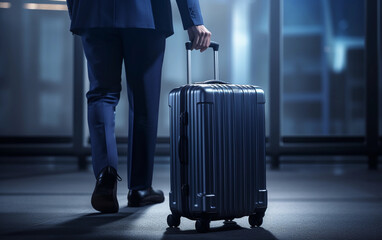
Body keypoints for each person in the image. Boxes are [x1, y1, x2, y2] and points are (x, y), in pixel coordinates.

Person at [66, 0, 212, 213]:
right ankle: (140, 188)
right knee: (144, 101)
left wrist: (79, 11)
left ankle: (105, 176)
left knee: (101, 95)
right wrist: (193, 20)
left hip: (93, 11)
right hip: (146, 14)